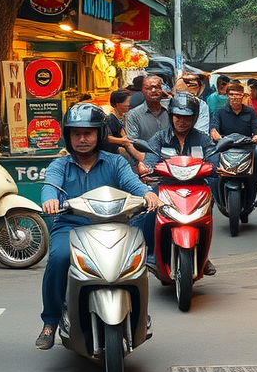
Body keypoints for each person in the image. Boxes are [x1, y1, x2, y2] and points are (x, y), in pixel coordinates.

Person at [35, 103, 160, 349]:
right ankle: (50, 321)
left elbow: (132, 184)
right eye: (76, 134)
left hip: (114, 225)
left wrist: (147, 194)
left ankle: (140, 311)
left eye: (88, 133)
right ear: (68, 136)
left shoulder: (116, 162)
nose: (82, 139)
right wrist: (49, 200)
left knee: (136, 260)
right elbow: (50, 185)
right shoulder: (60, 165)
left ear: (99, 134)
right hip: (71, 226)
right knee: (59, 258)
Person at [144, 92, 218, 276]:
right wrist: (146, 168)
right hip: (165, 186)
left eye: (187, 117)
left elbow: (213, 160)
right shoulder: (159, 138)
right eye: (178, 116)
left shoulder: (203, 139)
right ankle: (151, 253)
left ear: (193, 119)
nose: (182, 121)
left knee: (210, 204)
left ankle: (203, 254)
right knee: (147, 211)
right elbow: (150, 159)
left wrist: (216, 166)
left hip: (197, 186)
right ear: (171, 116)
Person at [209, 80, 257, 190]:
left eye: (237, 95)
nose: (234, 97)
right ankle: (215, 192)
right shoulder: (220, 111)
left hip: (246, 145)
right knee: (212, 160)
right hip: (225, 146)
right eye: (231, 94)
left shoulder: (250, 112)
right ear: (227, 96)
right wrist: (214, 132)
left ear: (243, 96)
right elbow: (214, 125)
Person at [125, 74, 170, 156]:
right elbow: (132, 141)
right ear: (142, 91)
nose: (153, 90)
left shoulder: (171, 111)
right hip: (146, 157)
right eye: (148, 88)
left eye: (157, 87)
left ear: (162, 89)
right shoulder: (133, 115)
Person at [105, 89, 145, 168]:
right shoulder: (109, 117)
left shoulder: (121, 116)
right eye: (128, 102)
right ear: (117, 104)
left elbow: (122, 132)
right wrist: (124, 141)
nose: (130, 105)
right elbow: (106, 137)